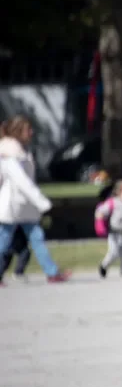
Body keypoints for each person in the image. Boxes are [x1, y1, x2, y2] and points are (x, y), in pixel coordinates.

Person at [0, 117, 69, 283]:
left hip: (25, 205)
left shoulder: (20, 151)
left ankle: (52, 272)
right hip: (12, 203)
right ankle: (51, 272)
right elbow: (22, 181)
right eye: (28, 129)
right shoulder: (10, 154)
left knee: (37, 238)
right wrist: (42, 202)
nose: (31, 132)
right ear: (18, 132)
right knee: (3, 241)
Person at [95, 178, 122, 278]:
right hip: (114, 233)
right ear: (119, 191)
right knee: (114, 252)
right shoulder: (113, 202)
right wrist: (100, 217)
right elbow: (101, 211)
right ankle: (104, 266)